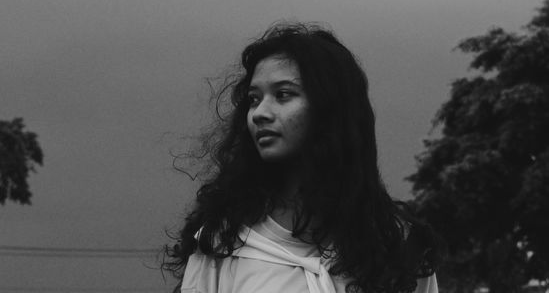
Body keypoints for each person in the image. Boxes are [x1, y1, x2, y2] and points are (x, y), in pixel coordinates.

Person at [164, 23, 440, 293]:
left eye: (283, 95)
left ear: (329, 107)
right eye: (254, 99)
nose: (260, 113)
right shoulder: (223, 243)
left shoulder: (395, 244)